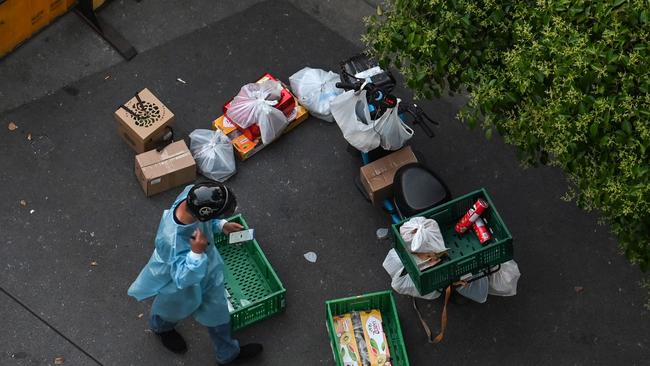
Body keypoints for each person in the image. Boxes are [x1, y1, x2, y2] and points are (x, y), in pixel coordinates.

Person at [128, 182, 263, 364]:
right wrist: (196, 253)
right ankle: (161, 328)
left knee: (218, 313)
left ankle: (227, 353)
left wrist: (221, 225)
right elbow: (182, 278)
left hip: (207, 272)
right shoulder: (173, 240)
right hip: (178, 282)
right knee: (170, 308)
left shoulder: (191, 198)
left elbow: (208, 219)